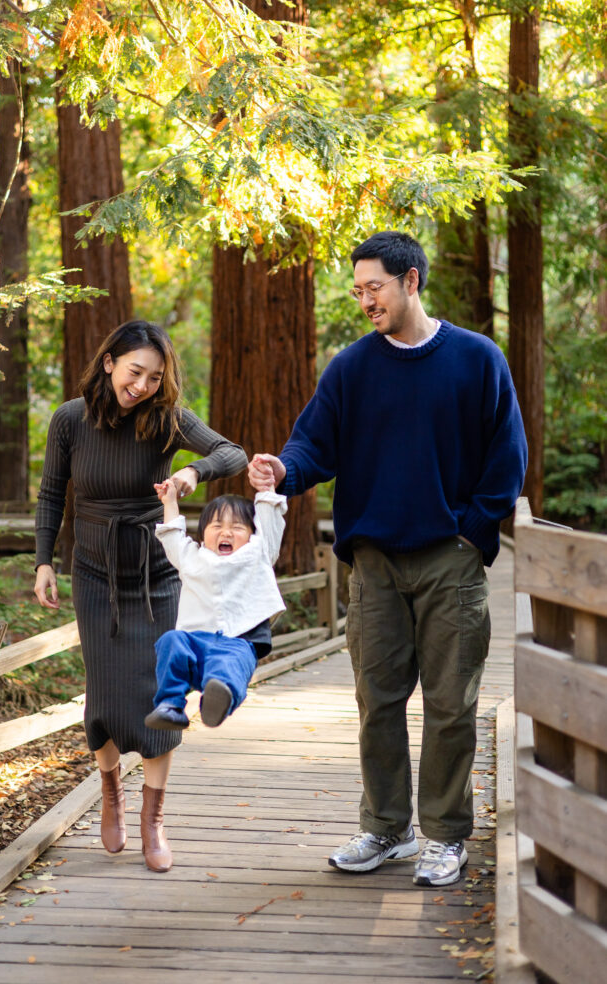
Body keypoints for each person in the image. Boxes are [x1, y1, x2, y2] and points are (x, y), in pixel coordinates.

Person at [248, 231, 527, 887]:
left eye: (374, 287)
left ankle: (446, 837)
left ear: (411, 281)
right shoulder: (353, 368)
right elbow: (314, 444)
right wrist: (283, 469)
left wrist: (472, 532)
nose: (365, 301)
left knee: (452, 706)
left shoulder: (477, 359)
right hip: (371, 563)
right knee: (378, 702)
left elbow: (505, 458)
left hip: (449, 563)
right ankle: (387, 829)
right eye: (358, 290)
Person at [34, 319, 247, 873]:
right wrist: (43, 562)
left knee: (162, 695)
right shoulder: (70, 420)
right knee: (102, 697)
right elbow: (53, 492)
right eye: (135, 372)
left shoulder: (166, 420)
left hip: (157, 575)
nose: (144, 385)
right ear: (109, 363)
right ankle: (111, 795)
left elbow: (233, 453)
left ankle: (154, 820)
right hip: (93, 573)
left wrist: (191, 475)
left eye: (155, 376)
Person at [144, 479, 287, 730]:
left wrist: (266, 489)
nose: (226, 532)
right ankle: (170, 705)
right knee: (170, 640)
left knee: (227, 664)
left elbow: (270, 522)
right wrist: (170, 501)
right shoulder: (191, 557)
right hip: (195, 641)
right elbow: (172, 534)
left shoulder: (258, 552)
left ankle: (217, 699)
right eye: (217, 526)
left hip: (239, 640)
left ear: (252, 533)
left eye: (238, 527)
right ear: (203, 533)